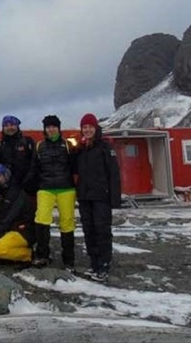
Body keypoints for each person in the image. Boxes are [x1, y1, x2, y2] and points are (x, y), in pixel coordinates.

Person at [76, 113, 121, 282]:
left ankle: (104, 264)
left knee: (102, 230)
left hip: (101, 197)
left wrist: (114, 199)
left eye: (90, 127)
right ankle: (94, 263)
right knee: (89, 230)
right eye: (84, 127)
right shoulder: (81, 149)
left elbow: (114, 173)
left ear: (95, 128)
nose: (87, 130)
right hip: (85, 197)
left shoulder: (105, 147)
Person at [29, 115, 77, 271]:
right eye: (48, 127)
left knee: (67, 222)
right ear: (45, 129)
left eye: (53, 126)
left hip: (66, 188)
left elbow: (75, 166)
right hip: (45, 188)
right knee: (41, 219)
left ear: (59, 128)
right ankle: (43, 255)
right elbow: (34, 168)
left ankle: (68, 259)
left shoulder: (68, 145)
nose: (51, 129)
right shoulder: (39, 146)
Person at [0, 164, 35, 265]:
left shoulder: (15, 192)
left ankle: (28, 254)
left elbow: (5, 221)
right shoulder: (0, 191)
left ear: (5, 176)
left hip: (22, 230)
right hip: (8, 228)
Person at [0, 115, 37, 205]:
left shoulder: (28, 142)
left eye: (12, 125)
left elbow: (34, 162)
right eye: (6, 125)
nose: (9, 128)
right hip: (9, 187)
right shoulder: (0, 145)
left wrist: (29, 181)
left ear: (17, 126)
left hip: (28, 187)